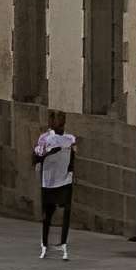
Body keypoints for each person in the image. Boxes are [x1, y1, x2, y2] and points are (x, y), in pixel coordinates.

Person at [32, 111, 77, 260]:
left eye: (60, 118)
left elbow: (73, 155)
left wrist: (70, 171)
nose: (58, 121)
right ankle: (44, 245)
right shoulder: (44, 139)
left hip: (65, 180)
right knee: (47, 215)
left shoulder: (70, 139)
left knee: (66, 212)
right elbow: (37, 157)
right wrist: (49, 153)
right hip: (49, 182)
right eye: (54, 118)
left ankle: (63, 243)